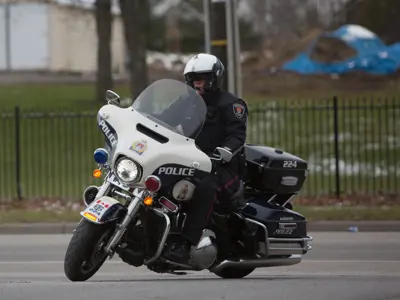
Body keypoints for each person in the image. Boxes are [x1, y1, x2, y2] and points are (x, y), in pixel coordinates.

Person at [161, 53, 248, 265]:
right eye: (192, 78)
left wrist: (224, 151)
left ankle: (185, 245)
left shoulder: (231, 104)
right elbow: (162, 120)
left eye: (201, 77)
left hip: (223, 167)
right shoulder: (185, 102)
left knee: (206, 188)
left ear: (214, 78)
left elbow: (237, 135)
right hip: (192, 163)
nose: (196, 82)